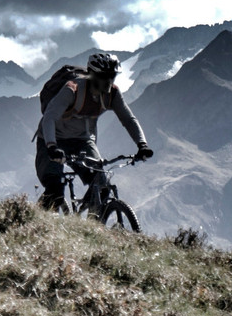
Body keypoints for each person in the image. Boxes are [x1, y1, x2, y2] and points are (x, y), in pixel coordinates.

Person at [35, 52, 153, 210]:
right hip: (52, 139)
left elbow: (128, 119)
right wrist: (51, 146)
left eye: (112, 77)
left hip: (82, 141)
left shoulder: (113, 94)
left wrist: (142, 145)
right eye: (104, 77)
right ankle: (34, 220)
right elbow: (49, 117)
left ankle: (94, 227)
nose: (108, 82)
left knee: (101, 186)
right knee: (54, 191)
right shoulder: (73, 88)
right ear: (92, 75)